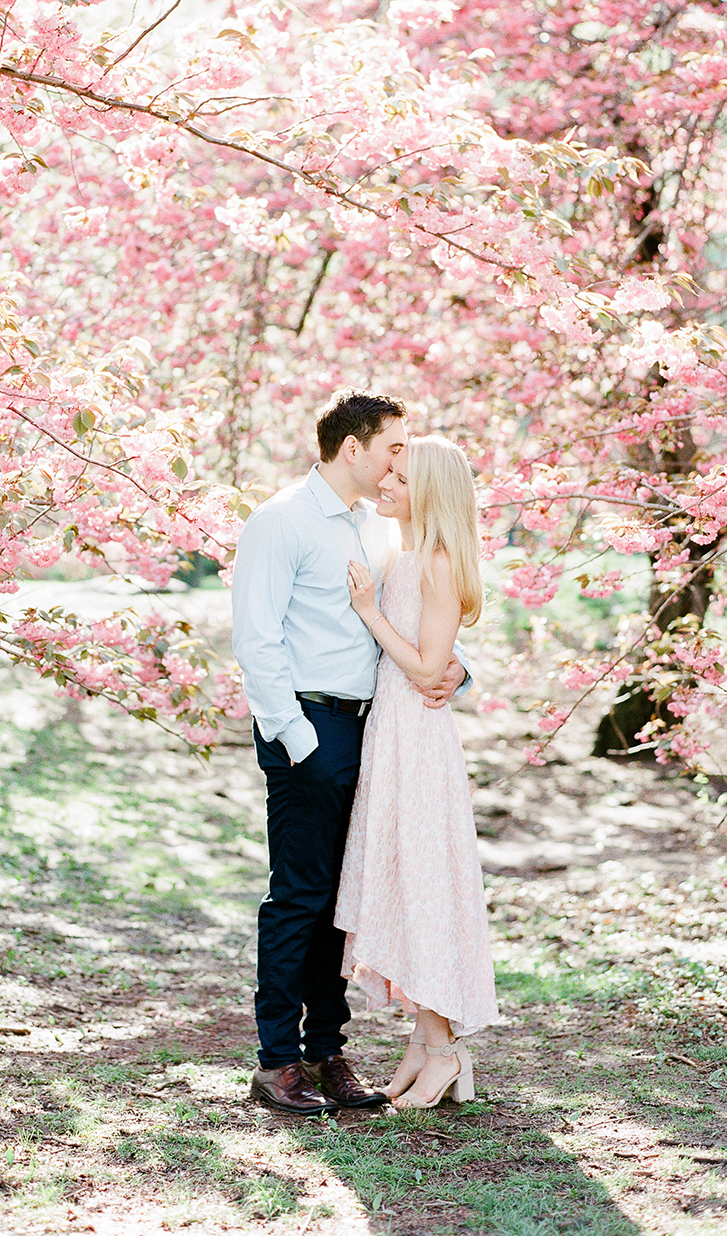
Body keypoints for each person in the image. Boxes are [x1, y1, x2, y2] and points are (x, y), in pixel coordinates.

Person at [230, 391, 468, 1116]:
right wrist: (301, 744)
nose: (404, 458)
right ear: (353, 448)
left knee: (344, 898)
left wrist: (460, 669)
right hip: (309, 728)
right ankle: (278, 1062)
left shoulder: (379, 528)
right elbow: (255, 639)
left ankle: (328, 1052)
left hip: (376, 725)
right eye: (395, 446)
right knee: (299, 896)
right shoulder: (281, 522)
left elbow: (419, 620)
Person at [336, 434, 500, 1105]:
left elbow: (430, 667)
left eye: (399, 480)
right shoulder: (410, 557)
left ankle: (443, 1049)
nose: (386, 485)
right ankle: (426, 1040)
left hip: (417, 739)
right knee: (406, 878)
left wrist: (369, 611)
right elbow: (438, 658)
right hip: (395, 733)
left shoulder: (432, 562)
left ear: (427, 492)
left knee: (423, 879)